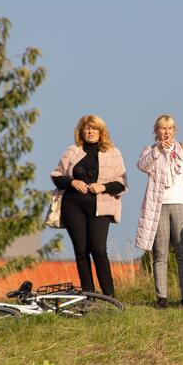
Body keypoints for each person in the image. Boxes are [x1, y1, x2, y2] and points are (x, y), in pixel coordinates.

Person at [135, 114, 183, 308]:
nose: (166, 131)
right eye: (162, 128)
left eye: (169, 128)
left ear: (174, 130)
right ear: (156, 131)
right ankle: (162, 298)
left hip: (181, 203)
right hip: (157, 206)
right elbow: (142, 166)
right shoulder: (150, 150)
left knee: (182, 253)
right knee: (160, 254)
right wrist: (158, 150)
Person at [50, 115, 128, 297]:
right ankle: (88, 295)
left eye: (94, 129)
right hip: (72, 205)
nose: (90, 132)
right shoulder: (72, 150)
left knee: (99, 249)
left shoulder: (113, 152)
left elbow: (122, 183)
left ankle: (109, 297)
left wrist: (103, 187)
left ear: (101, 132)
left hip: (100, 206)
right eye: (87, 128)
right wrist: (71, 182)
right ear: (81, 131)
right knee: (81, 251)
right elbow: (56, 175)